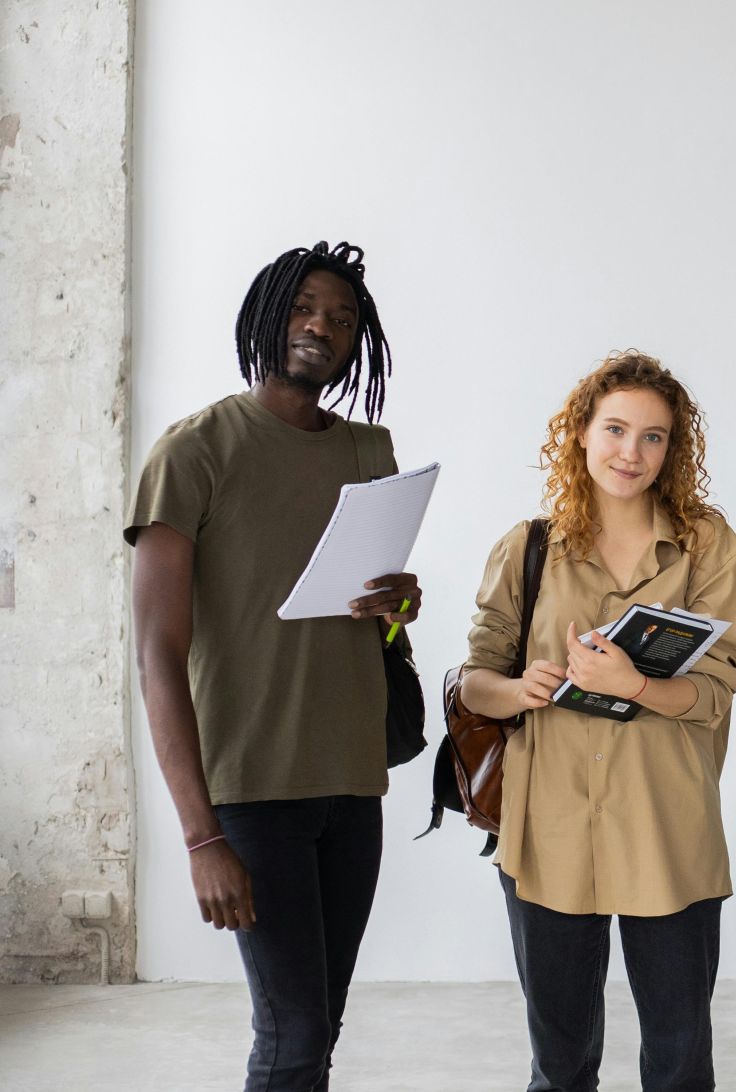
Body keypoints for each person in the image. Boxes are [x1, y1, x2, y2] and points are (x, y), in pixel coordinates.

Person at [128, 240, 421, 1090]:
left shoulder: (371, 450)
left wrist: (398, 603)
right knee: (290, 1037)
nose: (320, 327)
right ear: (266, 314)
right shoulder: (195, 453)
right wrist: (199, 836)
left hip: (351, 780)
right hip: (251, 792)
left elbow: (378, 622)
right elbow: (156, 655)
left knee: (315, 1029)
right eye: (303, 308)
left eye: (341, 317)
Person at [459, 351, 736, 1092]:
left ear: (672, 450)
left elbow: (719, 690)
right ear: (581, 433)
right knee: (558, 1069)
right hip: (547, 832)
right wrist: (521, 687)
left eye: (653, 437)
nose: (631, 452)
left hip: (666, 826)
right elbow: (474, 681)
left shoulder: (708, 547)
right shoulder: (525, 548)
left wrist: (634, 686)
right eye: (616, 429)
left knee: (680, 1065)